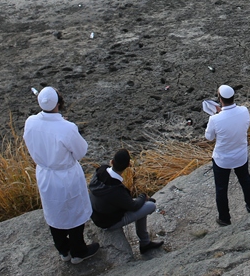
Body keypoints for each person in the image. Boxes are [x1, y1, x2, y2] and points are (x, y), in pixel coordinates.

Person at [23, 87, 99, 264]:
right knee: (74, 213)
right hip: (66, 176)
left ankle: (63, 251)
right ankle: (79, 252)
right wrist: (65, 125)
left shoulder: (30, 122)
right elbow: (81, 151)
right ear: (59, 103)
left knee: (54, 212)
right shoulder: (67, 128)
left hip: (45, 174)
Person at [88, 149, 164, 255]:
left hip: (97, 213)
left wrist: (140, 201)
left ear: (112, 161)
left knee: (141, 203)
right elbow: (133, 206)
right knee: (150, 206)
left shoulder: (101, 170)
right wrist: (143, 196)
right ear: (128, 165)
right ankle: (145, 243)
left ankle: (145, 243)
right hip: (107, 222)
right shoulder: (117, 189)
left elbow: (121, 200)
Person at [204, 85, 250, 226]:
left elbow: (209, 137)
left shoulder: (215, 119)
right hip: (240, 155)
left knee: (221, 189)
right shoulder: (244, 111)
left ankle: (224, 218)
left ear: (220, 100)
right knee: (246, 181)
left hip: (223, 159)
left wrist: (215, 115)